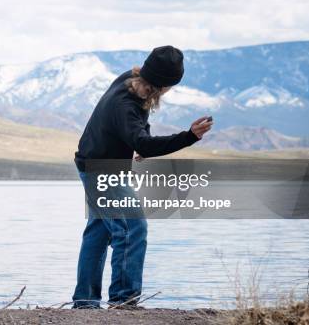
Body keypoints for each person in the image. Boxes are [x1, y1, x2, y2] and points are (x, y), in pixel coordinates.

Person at [72, 45, 213, 309]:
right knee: (132, 227)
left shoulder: (132, 80)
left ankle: (85, 302)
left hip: (93, 163)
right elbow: (142, 139)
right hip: (103, 170)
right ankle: (124, 301)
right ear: (163, 86)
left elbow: (138, 126)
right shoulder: (125, 104)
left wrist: (137, 141)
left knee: (100, 231)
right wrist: (189, 136)